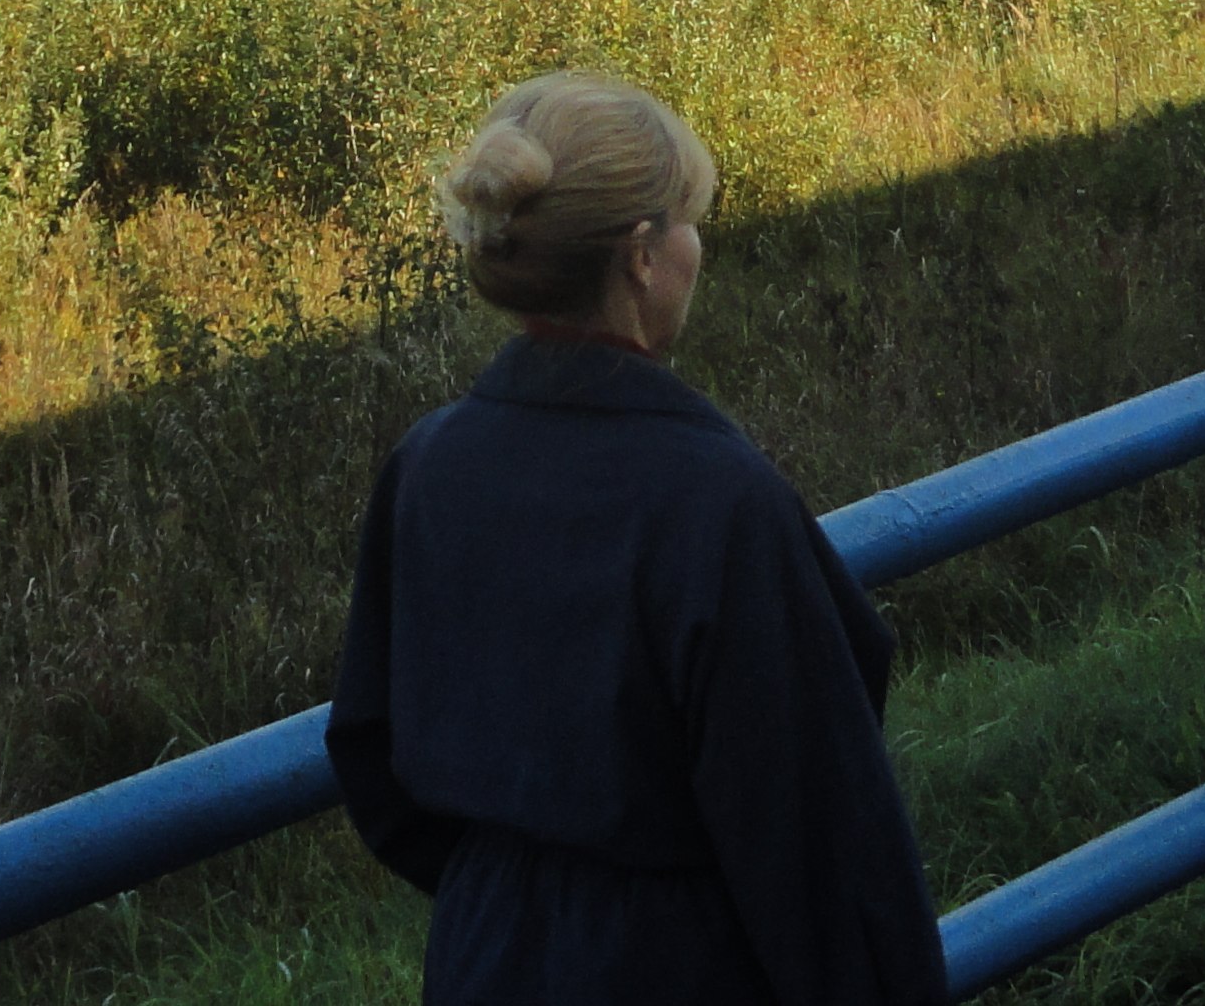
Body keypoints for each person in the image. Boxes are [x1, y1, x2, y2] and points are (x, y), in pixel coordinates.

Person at [328, 71, 947, 1006]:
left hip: (484, 958)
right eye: (688, 220)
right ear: (643, 257)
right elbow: (821, 847)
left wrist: (523, 898)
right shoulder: (716, 502)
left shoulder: (428, 465)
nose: (700, 247)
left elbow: (372, 752)